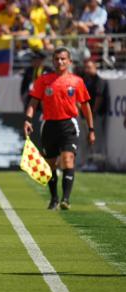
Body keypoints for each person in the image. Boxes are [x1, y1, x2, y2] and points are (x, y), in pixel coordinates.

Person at [24, 47, 95, 211]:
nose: (60, 62)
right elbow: (33, 102)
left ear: (69, 62)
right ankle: (54, 198)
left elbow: (86, 107)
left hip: (68, 124)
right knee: (50, 165)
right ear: (53, 61)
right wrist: (28, 119)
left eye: (63, 59)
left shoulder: (77, 81)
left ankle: (66, 199)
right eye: (57, 59)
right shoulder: (43, 80)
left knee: (68, 159)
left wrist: (91, 129)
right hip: (49, 125)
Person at [79, 59, 108, 169]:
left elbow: (99, 98)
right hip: (84, 116)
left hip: (95, 116)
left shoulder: (99, 81)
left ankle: (97, 163)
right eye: (85, 67)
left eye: (89, 67)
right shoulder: (84, 80)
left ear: (95, 67)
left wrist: (93, 113)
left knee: (96, 140)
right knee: (84, 140)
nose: (87, 70)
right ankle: (86, 162)